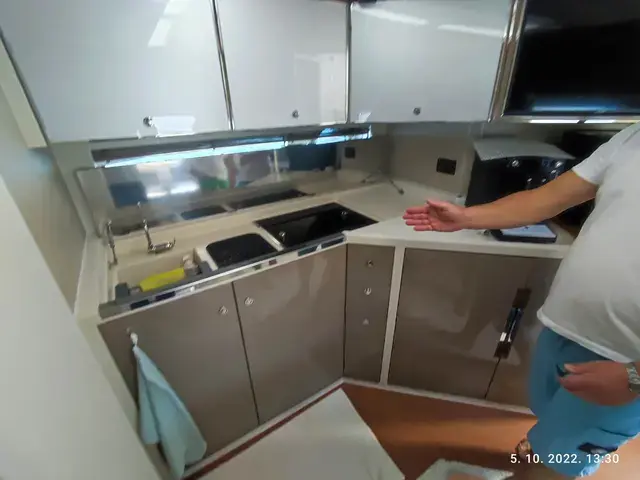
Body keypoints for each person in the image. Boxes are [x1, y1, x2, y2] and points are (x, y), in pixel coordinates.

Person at [404, 123, 640, 480]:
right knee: (548, 422)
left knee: (555, 466)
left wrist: (634, 377)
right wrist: (467, 217)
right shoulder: (631, 138)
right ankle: (533, 457)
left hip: (623, 362)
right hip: (564, 330)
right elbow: (545, 199)